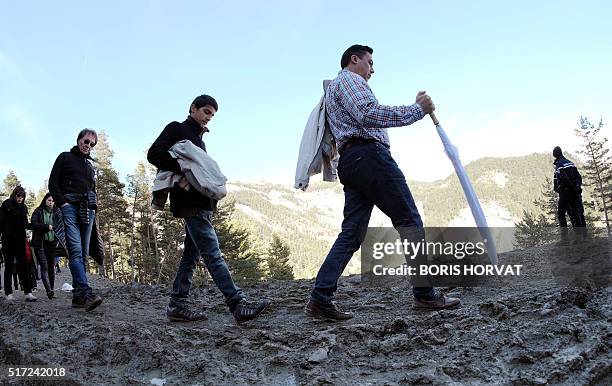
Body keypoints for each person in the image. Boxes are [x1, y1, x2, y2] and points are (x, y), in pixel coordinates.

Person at [306, 45, 461, 321]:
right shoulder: (349, 80)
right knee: (410, 222)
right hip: (369, 157)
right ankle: (425, 295)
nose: (372, 69)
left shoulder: (336, 88)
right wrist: (417, 110)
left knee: (352, 233)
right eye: (370, 62)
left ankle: (321, 298)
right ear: (354, 60)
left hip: (353, 162)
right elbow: (369, 114)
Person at [147, 94, 270, 323]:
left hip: (202, 203)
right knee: (213, 254)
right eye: (206, 112)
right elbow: (154, 154)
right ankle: (237, 304)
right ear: (193, 108)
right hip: (189, 202)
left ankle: (177, 305)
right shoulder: (176, 128)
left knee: (190, 257)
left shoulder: (200, 141)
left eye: (212, 115)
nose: (208, 118)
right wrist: (183, 168)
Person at [48, 129, 103, 311]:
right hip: (69, 206)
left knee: (84, 254)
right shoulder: (64, 157)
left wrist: (94, 203)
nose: (88, 145)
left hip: (87, 209)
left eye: (92, 144)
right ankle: (85, 293)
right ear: (79, 139)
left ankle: (78, 298)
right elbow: (52, 182)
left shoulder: (89, 166)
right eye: (86, 141)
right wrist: (62, 204)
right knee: (76, 251)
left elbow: (91, 187)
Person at [0, 186, 49, 301]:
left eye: (22, 196)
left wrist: (44, 227)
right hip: (8, 241)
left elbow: (27, 224)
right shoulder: (6, 205)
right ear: (14, 194)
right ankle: (8, 293)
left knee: (24, 266)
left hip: (20, 241)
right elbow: (0, 223)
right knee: (9, 266)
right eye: (18, 195)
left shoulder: (23, 208)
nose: (20, 198)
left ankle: (28, 292)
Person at [553, 146, 586, 238]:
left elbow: (564, 178)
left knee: (561, 213)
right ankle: (580, 236)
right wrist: (577, 187)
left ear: (555, 154)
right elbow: (579, 177)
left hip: (566, 192)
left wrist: (563, 188)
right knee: (576, 212)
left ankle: (565, 238)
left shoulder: (559, 164)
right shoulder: (571, 163)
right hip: (574, 192)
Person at [31, 193, 58, 299]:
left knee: (52, 267)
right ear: (45, 200)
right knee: (44, 267)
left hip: (53, 243)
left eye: (52, 201)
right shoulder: (38, 211)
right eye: (49, 200)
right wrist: (47, 227)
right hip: (41, 243)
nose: (51, 203)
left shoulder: (57, 212)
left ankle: (52, 289)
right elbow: (33, 224)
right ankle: (48, 291)